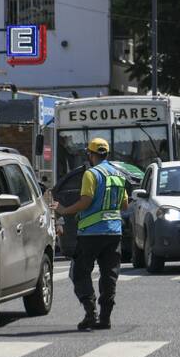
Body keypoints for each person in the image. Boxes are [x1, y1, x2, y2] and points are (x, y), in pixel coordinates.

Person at [52, 137, 127, 331]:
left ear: (91, 154)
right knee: (109, 275)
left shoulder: (90, 174)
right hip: (114, 232)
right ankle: (105, 318)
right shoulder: (118, 174)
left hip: (91, 234)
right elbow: (124, 204)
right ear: (107, 154)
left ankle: (90, 313)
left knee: (79, 272)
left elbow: (85, 201)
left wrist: (64, 210)